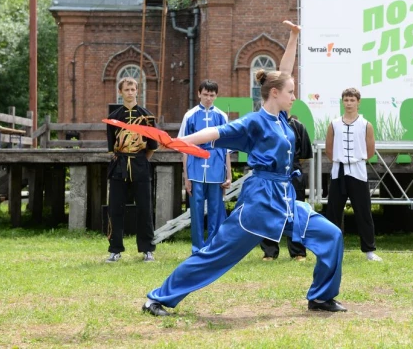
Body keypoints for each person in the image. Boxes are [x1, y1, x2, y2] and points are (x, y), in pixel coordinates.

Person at [142, 21, 346, 316]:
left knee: (330, 235)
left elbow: (284, 73)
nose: (294, 95)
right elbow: (215, 135)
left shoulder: (281, 117)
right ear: (274, 93)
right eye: (290, 92)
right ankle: (158, 298)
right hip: (260, 202)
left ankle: (321, 297)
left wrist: (293, 37)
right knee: (215, 255)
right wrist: (177, 142)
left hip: (285, 198)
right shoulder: (254, 122)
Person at [325, 88, 382, 262]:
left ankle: (369, 250)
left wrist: (357, 159)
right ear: (342, 102)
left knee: (363, 212)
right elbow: (329, 149)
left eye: (352, 100)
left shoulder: (366, 124)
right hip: (338, 171)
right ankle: (330, 250)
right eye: (346, 100)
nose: (349, 103)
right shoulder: (334, 124)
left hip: (358, 171)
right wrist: (340, 160)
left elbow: (370, 150)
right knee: (333, 213)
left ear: (358, 102)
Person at [105, 77, 158, 263]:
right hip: (119, 166)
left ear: (137, 91)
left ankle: (147, 249)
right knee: (115, 208)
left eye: (133, 89)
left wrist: (140, 160)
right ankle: (115, 249)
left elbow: (152, 145)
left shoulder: (147, 116)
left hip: (140, 165)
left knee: (144, 208)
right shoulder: (113, 118)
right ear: (121, 92)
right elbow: (112, 147)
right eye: (126, 89)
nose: (130, 92)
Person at [179, 80, 231, 254]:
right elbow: (183, 147)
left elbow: (227, 149)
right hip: (195, 166)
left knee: (216, 208)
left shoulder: (222, 116)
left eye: (212, 95)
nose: (209, 98)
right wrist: (186, 176)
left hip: (216, 166)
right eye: (206, 94)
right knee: (196, 209)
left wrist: (228, 175)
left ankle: (214, 248)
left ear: (216, 96)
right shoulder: (190, 115)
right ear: (199, 93)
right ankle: (197, 248)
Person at [260, 114, 312, 261]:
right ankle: (269, 251)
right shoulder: (265, 124)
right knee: (270, 210)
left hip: (293, 172)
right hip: (271, 172)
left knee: (296, 211)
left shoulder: (298, 126)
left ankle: (298, 252)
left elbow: (304, 154)